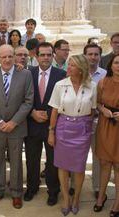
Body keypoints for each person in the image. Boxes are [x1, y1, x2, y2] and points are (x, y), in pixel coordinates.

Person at [0, 44, 34, 209]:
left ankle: (16, 193)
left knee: (16, 160)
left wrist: (13, 122)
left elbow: (28, 101)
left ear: (15, 57)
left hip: (17, 127)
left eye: (10, 56)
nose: (7, 59)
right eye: (3, 57)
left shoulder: (25, 75)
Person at [48, 54, 97, 215]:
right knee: (62, 165)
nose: (68, 68)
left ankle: (76, 197)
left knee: (79, 167)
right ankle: (66, 199)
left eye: (72, 65)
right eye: (68, 65)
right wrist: (51, 132)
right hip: (63, 127)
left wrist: (84, 124)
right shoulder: (60, 85)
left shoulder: (92, 86)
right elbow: (54, 110)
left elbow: (93, 109)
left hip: (82, 129)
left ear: (81, 69)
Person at [23, 42, 66, 205]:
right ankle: (32, 187)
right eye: (43, 54)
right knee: (31, 158)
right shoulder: (28, 74)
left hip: (52, 125)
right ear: (36, 56)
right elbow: (22, 97)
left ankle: (53, 191)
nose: (46, 58)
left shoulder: (61, 75)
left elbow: (64, 99)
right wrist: (32, 112)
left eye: (49, 54)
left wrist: (49, 115)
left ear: (53, 55)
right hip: (32, 123)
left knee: (52, 160)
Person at [94, 54, 119, 216]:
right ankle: (101, 196)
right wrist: (103, 109)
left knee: (118, 166)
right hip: (105, 125)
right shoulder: (102, 82)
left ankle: (117, 203)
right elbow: (96, 103)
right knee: (104, 164)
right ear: (111, 65)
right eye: (117, 62)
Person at [84, 43, 107, 198]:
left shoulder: (106, 75)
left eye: (96, 54)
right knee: (78, 154)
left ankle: (97, 186)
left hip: (99, 121)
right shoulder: (77, 73)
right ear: (85, 56)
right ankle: (73, 184)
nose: (93, 57)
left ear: (100, 56)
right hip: (79, 122)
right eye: (90, 54)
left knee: (98, 156)